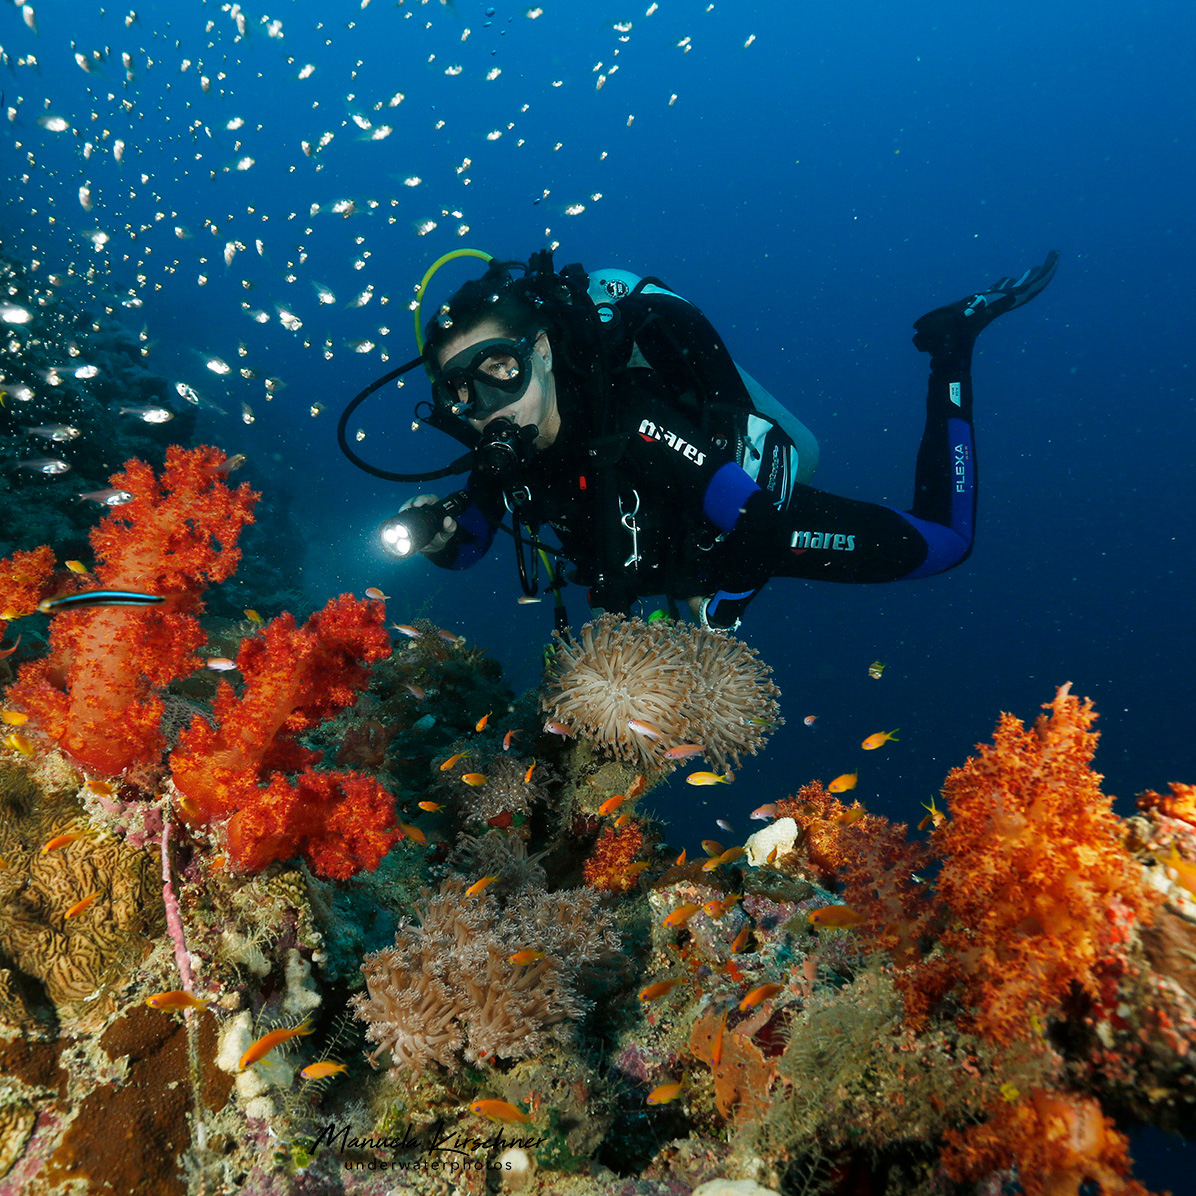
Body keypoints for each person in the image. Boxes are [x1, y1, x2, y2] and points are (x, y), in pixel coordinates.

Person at [402, 250, 1059, 630]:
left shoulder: (632, 421)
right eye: (460, 391)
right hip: (674, 558)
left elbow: (759, 525)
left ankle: (952, 349)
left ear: (541, 351)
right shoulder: (503, 458)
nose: (485, 405)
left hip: (728, 527)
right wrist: (435, 536)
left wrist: (719, 615)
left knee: (947, 545)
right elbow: (469, 547)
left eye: (498, 369)